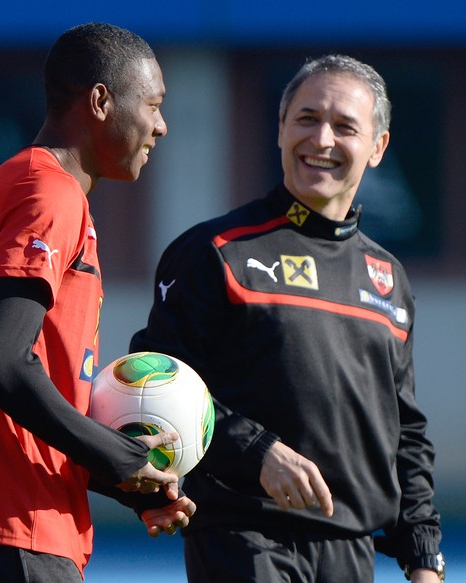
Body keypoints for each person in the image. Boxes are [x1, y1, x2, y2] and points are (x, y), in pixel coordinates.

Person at [130, 55, 444, 582]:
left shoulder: (388, 277)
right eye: (306, 118)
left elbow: (404, 432)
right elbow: (155, 393)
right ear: (279, 131)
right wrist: (257, 452)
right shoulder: (213, 253)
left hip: (351, 553)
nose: (321, 139)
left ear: (377, 148)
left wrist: (423, 557)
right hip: (244, 541)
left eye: (344, 126)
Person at [0, 22, 196, 583]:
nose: (161, 126)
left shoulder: (43, 190)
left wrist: (125, 481)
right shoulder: (48, 193)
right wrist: (118, 455)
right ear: (100, 101)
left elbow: (29, 393)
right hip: (6, 528)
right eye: (154, 105)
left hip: (15, 528)